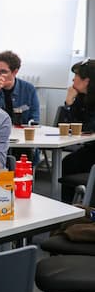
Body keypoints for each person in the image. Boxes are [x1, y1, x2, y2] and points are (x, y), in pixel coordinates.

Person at [61, 59, 95, 203]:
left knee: (69, 162)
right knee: (68, 162)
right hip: (90, 147)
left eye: (76, 76)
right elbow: (63, 125)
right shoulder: (81, 97)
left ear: (87, 81)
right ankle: (67, 206)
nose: (73, 79)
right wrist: (69, 102)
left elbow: (88, 128)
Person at [0, 50, 40, 125]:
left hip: (20, 132)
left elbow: (35, 117)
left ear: (15, 72)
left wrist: (31, 124)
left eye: (3, 71)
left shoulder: (29, 89)